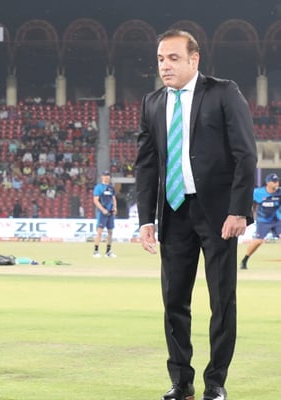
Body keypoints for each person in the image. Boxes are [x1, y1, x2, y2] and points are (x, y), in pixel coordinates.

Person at [135, 30, 256, 400]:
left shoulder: (222, 92)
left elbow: (245, 154)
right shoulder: (153, 102)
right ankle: (181, 381)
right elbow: (146, 164)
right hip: (174, 213)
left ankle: (215, 382)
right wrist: (145, 219)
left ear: (194, 59)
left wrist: (239, 210)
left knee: (221, 300)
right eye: (160, 59)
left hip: (219, 215)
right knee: (173, 301)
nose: (165, 66)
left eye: (173, 58)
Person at [240, 173, 280, 269]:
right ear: (268, 183)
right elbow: (245, 200)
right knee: (258, 241)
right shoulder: (257, 192)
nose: (277, 183)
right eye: (274, 182)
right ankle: (245, 259)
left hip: (278, 220)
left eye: (277, 181)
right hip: (263, 221)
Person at [92, 170, 117, 258]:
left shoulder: (111, 187)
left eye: (108, 175)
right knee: (99, 232)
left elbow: (113, 199)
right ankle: (96, 251)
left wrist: (115, 207)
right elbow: (95, 200)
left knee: (110, 232)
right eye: (105, 175)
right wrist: (102, 209)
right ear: (102, 177)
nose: (107, 177)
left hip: (110, 212)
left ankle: (108, 251)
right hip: (102, 213)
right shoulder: (99, 187)